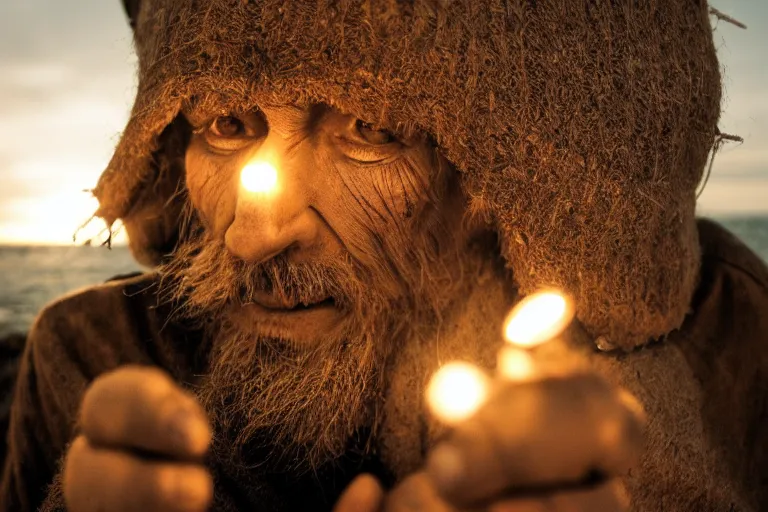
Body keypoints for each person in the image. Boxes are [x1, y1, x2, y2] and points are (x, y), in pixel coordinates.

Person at [2, 1, 767, 510]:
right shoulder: (95, 353)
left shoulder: (736, 343)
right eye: (227, 123)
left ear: (501, 172)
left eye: (372, 130)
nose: (255, 235)